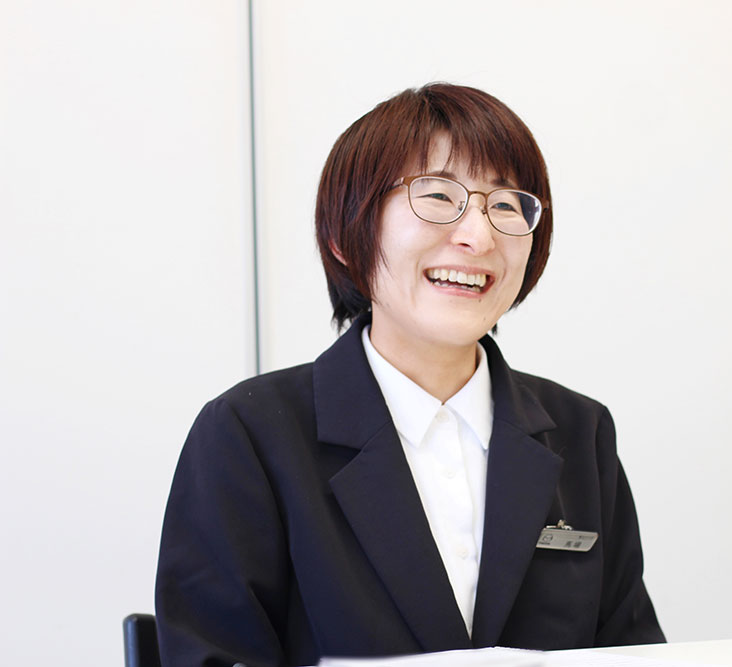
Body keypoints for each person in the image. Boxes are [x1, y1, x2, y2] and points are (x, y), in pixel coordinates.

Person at [155, 83, 664, 667]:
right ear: (344, 236)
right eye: (439, 196)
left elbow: (634, 654)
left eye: (505, 205)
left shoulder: (580, 431)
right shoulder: (249, 433)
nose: (478, 236)